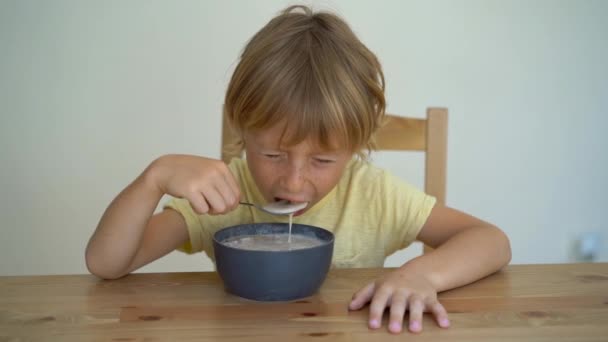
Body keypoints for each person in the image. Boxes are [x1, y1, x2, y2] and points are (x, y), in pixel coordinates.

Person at [85, 5, 511, 334]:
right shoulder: (224, 194)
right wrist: (153, 178)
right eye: (272, 155)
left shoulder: (373, 195)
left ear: (355, 150)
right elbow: (107, 263)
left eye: (323, 161)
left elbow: (491, 241)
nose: (292, 181)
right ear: (243, 131)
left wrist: (421, 275)